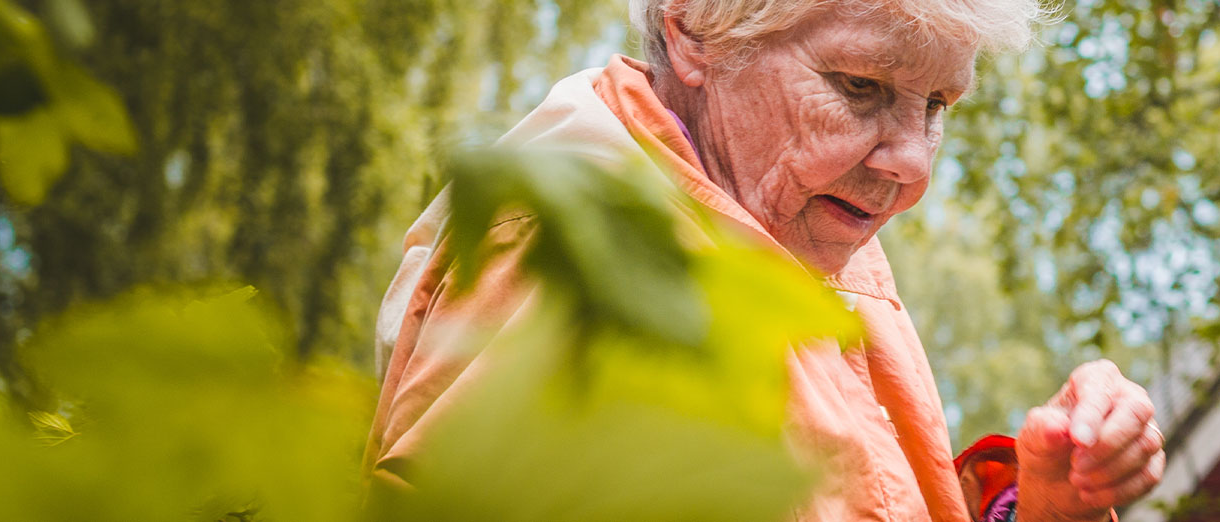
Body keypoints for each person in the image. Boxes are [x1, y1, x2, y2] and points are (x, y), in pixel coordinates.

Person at [364, 0, 1166, 520]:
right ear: (694, 30)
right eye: (860, 86)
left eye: (938, 106)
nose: (913, 162)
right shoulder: (581, 255)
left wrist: (1045, 504)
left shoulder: (803, 231)